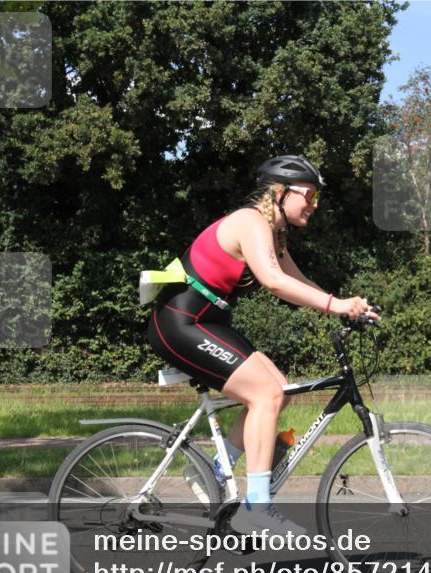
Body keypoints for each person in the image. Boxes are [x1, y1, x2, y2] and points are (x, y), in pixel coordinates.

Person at [147, 155, 378, 534]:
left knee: (278, 389)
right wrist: (336, 304)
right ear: (281, 192)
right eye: (310, 195)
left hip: (206, 320)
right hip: (180, 321)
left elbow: (297, 282)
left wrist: (346, 311)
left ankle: (213, 473)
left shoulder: (274, 234)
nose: (314, 204)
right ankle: (255, 508)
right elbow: (273, 281)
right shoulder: (250, 222)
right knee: (266, 393)